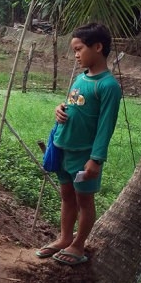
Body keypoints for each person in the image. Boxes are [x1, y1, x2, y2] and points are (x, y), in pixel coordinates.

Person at [34, 23, 121, 265]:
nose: (76, 55)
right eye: (74, 50)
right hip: (64, 149)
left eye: (79, 49)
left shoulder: (108, 86)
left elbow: (106, 126)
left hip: (84, 156)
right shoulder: (81, 78)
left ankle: (78, 245)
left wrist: (96, 159)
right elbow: (74, 104)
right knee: (66, 196)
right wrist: (59, 109)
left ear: (98, 47)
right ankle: (64, 238)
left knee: (84, 200)